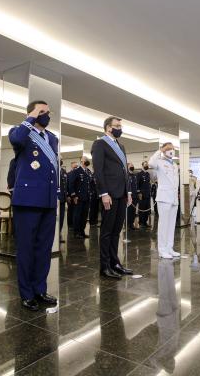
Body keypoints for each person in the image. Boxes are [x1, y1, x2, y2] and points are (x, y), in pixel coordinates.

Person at [8, 100, 58, 311]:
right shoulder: (20, 132)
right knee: (27, 248)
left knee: (43, 248)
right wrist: (31, 117)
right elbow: (18, 139)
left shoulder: (53, 138)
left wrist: (57, 193)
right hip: (28, 199)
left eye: (48, 112)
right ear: (32, 113)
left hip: (47, 199)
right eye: (41, 112)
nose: (46, 115)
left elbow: (53, 167)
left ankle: (39, 288)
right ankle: (26, 293)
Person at [91, 116, 133, 279]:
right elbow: (99, 170)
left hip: (121, 193)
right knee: (107, 232)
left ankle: (115, 263)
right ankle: (105, 266)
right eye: (117, 126)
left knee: (116, 231)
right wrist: (103, 193)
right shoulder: (100, 144)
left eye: (120, 126)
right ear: (108, 128)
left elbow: (124, 171)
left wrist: (128, 192)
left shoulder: (120, 146)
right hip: (109, 193)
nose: (119, 128)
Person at [148, 143, 181, 259]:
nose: (171, 150)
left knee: (171, 225)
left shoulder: (175, 164)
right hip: (164, 197)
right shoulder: (159, 162)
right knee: (163, 225)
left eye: (173, 148)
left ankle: (169, 248)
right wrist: (160, 150)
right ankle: (162, 250)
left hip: (174, 198)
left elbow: (175, 181)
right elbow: (150, 163)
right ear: (164, 150)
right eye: (169, 148)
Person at [68, 156, 92, 239]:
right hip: (78, 197)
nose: (88, 161)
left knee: (84, 216)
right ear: (82, 161)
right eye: (86, 160)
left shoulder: (88, 172)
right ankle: (76, 232)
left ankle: (82, 231)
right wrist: (74, 195)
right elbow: (71, 184)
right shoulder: (77, 171)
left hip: (87, 197)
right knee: (77, 215)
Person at [137, 161, 152, 229]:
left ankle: (145, 222)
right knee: (142, 209)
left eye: (147, 165)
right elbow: (137, 184)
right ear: (142, 166)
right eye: (145, 165)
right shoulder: (139, 174)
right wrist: (139, 193)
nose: (147, 166)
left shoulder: (148, 174)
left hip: (147, 194)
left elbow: (148, 184)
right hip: (142, 195)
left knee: (147, 209)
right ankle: (141, 222)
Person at [67, 161, 78, 230]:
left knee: (76, 212)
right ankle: (70, 225)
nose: (76, 167)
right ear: (71, 166)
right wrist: (68, 195)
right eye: (74, 166)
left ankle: (75, 225)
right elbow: (67, 185)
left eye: (76, 166)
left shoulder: (78, 174)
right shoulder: (68, 174)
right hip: (70, 196)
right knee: (70, 211)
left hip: (77, 196)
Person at [59, 160, 68, 243]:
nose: (61, 160)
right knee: (57, 218)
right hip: (56, 198)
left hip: (63, 198)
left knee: (62, 217)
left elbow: (66, 185)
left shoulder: (64, 171)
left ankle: (59, 233)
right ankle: (55, 235)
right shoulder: (54, 169)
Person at [127, 163, 138, 230]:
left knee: (133, 211)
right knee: (129, 211)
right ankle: (128, 224)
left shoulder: (134, 176)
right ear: (127, 167)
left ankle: (132, 224)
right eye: (131, 166)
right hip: (129, 196)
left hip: (135, 196)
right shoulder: (126, 175)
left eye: (133, 166)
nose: (132, 167)